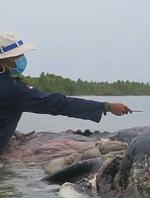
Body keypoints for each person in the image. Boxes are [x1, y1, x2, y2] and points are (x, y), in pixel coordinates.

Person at [0, 32, 132, 154]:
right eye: (16, 56)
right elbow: (59, 104)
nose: (21, 59)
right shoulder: (14, 89)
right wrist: (106, 106)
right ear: (3, 60)